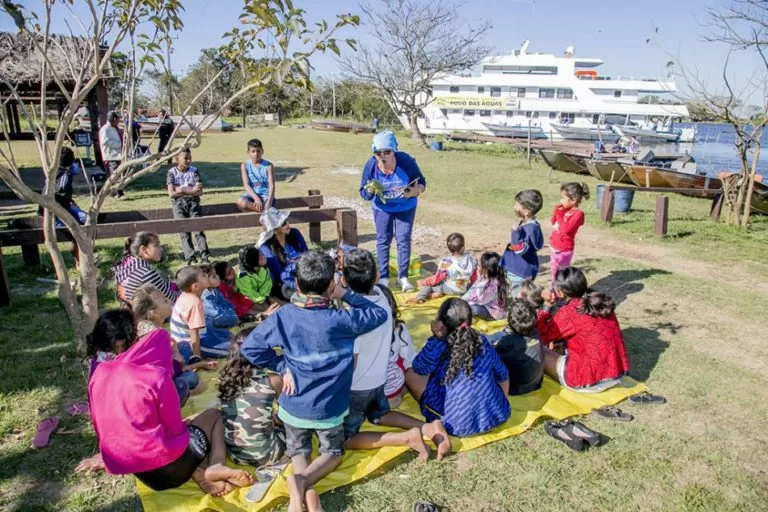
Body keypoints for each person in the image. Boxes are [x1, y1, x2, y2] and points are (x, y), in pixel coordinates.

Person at [240, 251, 388, 512]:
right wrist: (344, 294)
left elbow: (250, 348)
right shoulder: (343, 319)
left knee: (299, 450)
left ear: (297, 285)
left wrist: (281, 366)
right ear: (331, 285)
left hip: (293, 407)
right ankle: (303, 482)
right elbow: (378, 313)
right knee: (333, 453)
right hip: (329, 408)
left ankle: (301, 488)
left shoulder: (285, 316)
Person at [87, 308, 253, 496]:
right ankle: (216, 465)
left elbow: (102, 425)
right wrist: (187, 424)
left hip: (144, 475)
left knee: (190, 424)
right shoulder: (154, 375)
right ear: (124, 342)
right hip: (174, 468)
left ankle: (200, 473)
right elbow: (175, 429)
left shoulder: (97, 374)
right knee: (216, 416)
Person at [341, 249, 451, 460]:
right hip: (379, 382)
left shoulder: (351, 319)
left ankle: (407, 438)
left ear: (344, 280)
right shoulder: (382, 298)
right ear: (376, 276)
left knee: (345, 439)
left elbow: (351, 363)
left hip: (357, 387)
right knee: (380, 414)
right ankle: (428, 428)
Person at [405, 298, 511, 437]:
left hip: (455, 425)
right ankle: (492, 406)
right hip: (498, 415)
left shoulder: (438, 344)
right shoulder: (482, 341)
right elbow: (503, 375)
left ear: (441, 323)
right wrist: (499, 402)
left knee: (410, 374)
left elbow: (419, 367)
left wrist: (435, 337)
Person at [538, 267, 630, 393]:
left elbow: (540, 335)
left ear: (560, 292)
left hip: (585, 380)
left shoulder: (569, 312)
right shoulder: (600, 302)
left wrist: (547, 305)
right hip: (616, 374)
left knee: (539, 350)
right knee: (558, 345)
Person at [359, 130, 427, 291]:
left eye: (387, 152)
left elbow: (422, 182)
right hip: (382, 208)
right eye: (378, 153)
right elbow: (363, 193)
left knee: (403, 239)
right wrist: (370, 190)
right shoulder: (371, 165)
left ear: (394, 150)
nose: (383, 156)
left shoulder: (406, 161)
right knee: (383, 239)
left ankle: (403, 278)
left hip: (406, 206)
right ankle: (384, 278)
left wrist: (416, 191)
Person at [219, 327, 287, 468]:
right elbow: (288, 415)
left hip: (235, 455)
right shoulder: (273, 380)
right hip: (267, 455)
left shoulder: (227, 379)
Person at [490, 299, 544, 396]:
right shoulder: (536, 333)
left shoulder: (507, 341)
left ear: (509, 323)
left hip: (515, 388)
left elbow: (493, 355)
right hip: (535, 384)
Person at [166, 147, 210, 265]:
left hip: (193, 203)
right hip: (178, 204)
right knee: (184, 231)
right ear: (177, 158)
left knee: (198, 229)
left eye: (190, 158)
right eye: (185, 158)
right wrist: (191, 190)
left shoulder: (194, 171)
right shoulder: (171, 173)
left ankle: (204, 256)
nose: (189, 160)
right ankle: (190, 258)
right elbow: (171, 194)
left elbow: (200, 192)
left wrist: (181, 189)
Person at [408, 232, 476, 304]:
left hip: (450, 288)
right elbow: (474, 276)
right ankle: (439, 292)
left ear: (449, 249)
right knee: (445, 282)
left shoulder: (447, 262)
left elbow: (438, 277)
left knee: (428, 286)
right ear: (463, 247)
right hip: (463, 289)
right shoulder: (470, 260)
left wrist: (424, 282)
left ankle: (420, 298)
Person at [113, 231, 178, 305]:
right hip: (142, 311)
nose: (161, 249)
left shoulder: (127, 263)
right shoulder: (147, 273)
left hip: (129, 308)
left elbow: (160, 287)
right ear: (143, 250)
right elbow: (172, 298)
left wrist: (174, 285)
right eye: (156, 245)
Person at [257, 208, 308, 301]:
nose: (288, 224)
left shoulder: (295, 233)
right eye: (283, 223)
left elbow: (306, 254)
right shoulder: (265, 246)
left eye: (287, 220)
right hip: (283, 283)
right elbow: (279, 274)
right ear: (274, 229)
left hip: (302, 275)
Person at [500, 190, 544, 294]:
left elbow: (519, 250)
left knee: (519, 297)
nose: (514, 207)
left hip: (520, 272)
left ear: (526, 211)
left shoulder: (529, 229)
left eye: (517, 205)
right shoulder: (530, 225)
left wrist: (515, 233)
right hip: (517, 269)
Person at [379, 284, 415, 409]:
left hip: (365, 389)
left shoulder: (359, 329)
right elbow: (409, 359)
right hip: (393, 387)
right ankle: (401, 391)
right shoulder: (399, 328)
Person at [550, 183, 589, 282]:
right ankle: (554, 288)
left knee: (562, 273)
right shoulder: (564, 210)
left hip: (564, 249)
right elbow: (553, 222)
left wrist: (559, 213)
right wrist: (556, 211)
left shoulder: (578, 213)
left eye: (563, 198)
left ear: (573, 200)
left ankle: (562, 289)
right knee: (554, 270)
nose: (561, 201)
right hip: (555, 246)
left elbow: (565, 230)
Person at [40, 146, 88, 227]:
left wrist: (71, 202)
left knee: (85, 218)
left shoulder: (57, 172)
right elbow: (59, 193)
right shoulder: (64, 175)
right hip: (56, 209)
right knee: (63, 226)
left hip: (63, 206)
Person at [200, 264, 239, 359]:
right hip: (206, 336)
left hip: (216, 329)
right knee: (236, 351)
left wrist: (232, 315)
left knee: (237, 340)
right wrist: (233, 317)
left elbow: (229, 306)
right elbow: (218, 316)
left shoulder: (215, 291)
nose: (218, 277)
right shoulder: (204, 297)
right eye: (214, 276)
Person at [171, 266, 208, 365]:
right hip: (189, 343)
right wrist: (197, 357)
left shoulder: (186, 295)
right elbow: (194, 332)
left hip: (181, 339)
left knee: (221, 333)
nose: (206, 275)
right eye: (203, 275)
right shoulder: (195, 302)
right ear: (195, 286)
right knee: (227, 348)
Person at [461, 251, 509, 321]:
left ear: (486, 269)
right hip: (485, 301)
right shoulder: (488, 276)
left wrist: (464, 302)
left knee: (474, 309)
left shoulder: (493, 286)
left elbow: (480, 300)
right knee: (469, 286)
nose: (477, 267)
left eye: (479, 265)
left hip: (492, 311)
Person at [236, 138, 275, 213]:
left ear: (262, 151)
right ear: (248, 152)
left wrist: (269, 202)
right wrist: (256, 198)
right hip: (252, 195)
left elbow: (272, 185)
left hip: (265, 196)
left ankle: (266, 209)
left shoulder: (268, 166)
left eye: (258, 151)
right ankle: (265, 211)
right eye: (253, 151)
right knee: (240, 202)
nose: (256, 154)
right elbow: (246, 185)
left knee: (265, 205)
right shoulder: (244, 166)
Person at [236, 245, 275, 312]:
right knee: (269, 308)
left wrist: (266, 297)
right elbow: (251, 294)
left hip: (263, 295)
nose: (264, 257)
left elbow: (267, 283)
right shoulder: (243, 277)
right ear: (254, 265)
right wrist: (264, 300)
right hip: (250, 299)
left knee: (276, 302)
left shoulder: (262, 267)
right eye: (260, 258)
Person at [98, 110, 125, 199]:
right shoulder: (105, 129)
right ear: (114, 119)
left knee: (116, 174)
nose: (118, 121)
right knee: (115, 175)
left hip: (118, 155)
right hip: (111, 155)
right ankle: (119, 193)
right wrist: (119, 144)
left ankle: (113, 193)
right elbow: (105, 141)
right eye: (118, 119)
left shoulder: (116, 128)